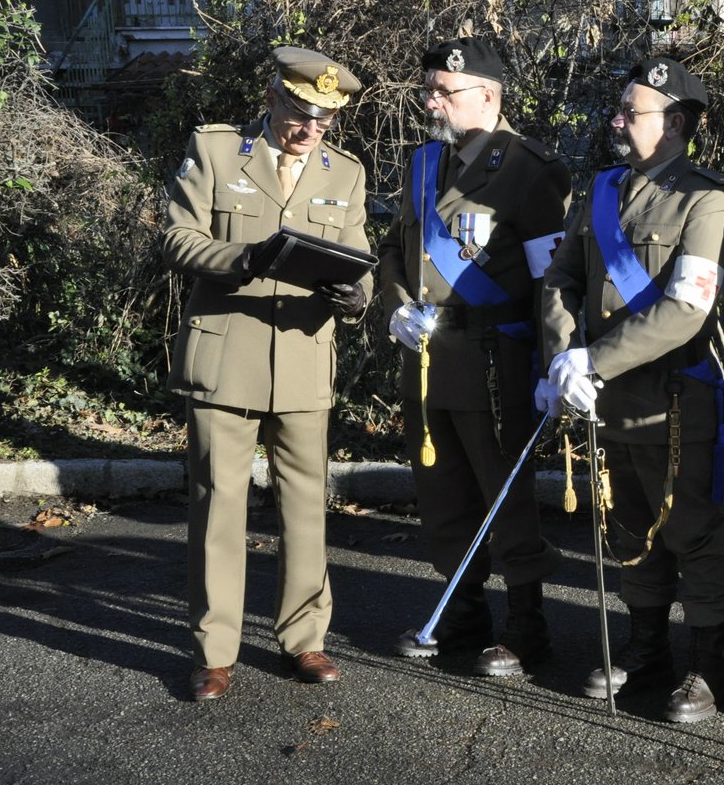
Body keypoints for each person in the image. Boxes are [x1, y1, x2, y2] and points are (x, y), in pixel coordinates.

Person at [163, 46, 370, 701]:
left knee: (307, 507)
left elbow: (360, 260)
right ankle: (215, 651)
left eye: (326, 121)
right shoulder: (220, 151)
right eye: (303, 114)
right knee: (219, 504)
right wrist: (245, 257)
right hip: (226, 356)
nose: (311, 131)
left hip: (304, 358)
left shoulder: (346, 172)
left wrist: (357, 296)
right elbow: (178, 238)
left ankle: (305, 639)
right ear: (275, 96)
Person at [539, 56, 724, 723]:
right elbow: (560, 279)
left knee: (692, 530)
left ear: (676, 122)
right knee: (626, 522)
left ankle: (706, 663)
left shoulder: (704, 198)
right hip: (607, 400)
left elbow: (688, 308)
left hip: (674, 401)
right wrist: (564, 353)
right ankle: (646, 645)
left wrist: (594, 359)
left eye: (633, 111)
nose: (618, 121)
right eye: (620, 109)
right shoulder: (599, 189)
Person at [378, 37, 570, 677]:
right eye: (431, 90)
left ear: (487, 95)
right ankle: (462, 611)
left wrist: (554, 363)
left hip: (496, 362)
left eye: (445, 93)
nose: (432, 103)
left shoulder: (530, 169)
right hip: (430, 360)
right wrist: (397, 304)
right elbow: (393, 251)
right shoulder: (423, 164)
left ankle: (526, 622)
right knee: (443, 492)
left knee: (502, 493)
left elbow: (553, 279)